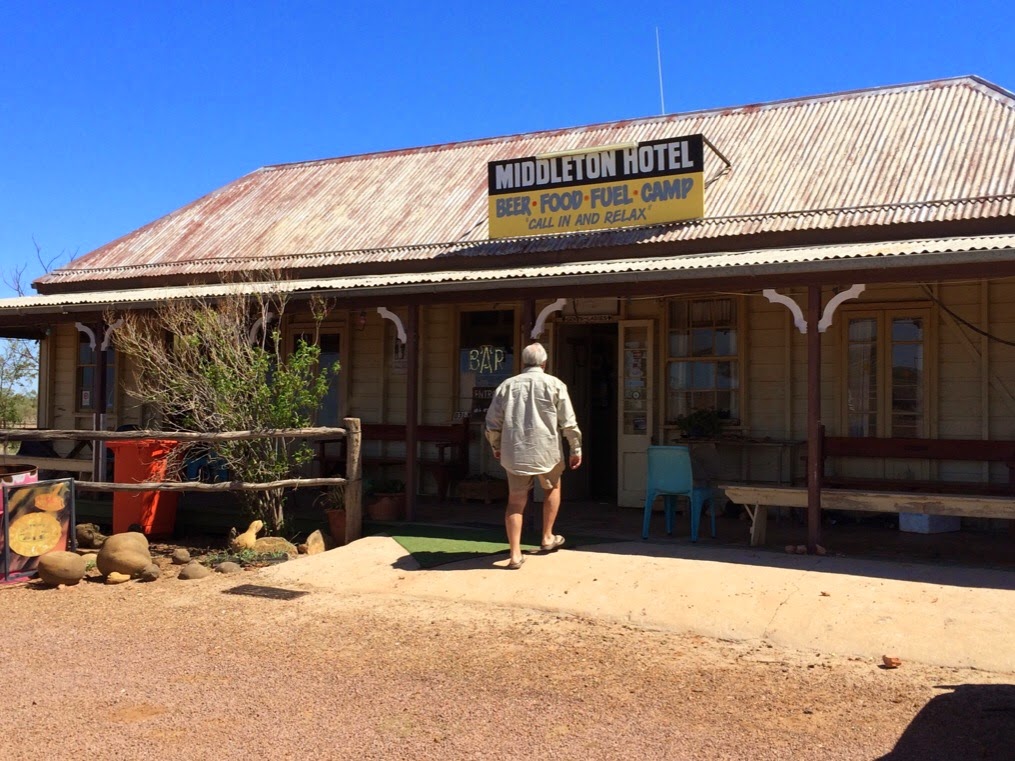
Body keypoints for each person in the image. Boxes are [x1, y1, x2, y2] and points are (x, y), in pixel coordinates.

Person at [484, 342, 582, 569]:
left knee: (515, 502)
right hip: (547, 449)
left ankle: (515, 554)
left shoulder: (507, 386)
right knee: (552, 488)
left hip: (515, 450)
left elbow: (492, 422)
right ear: (544, 363)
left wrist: (496, 446)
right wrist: (575, 448)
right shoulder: (555, 384)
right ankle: (547, 536)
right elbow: (568, 421)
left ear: (523, 362)